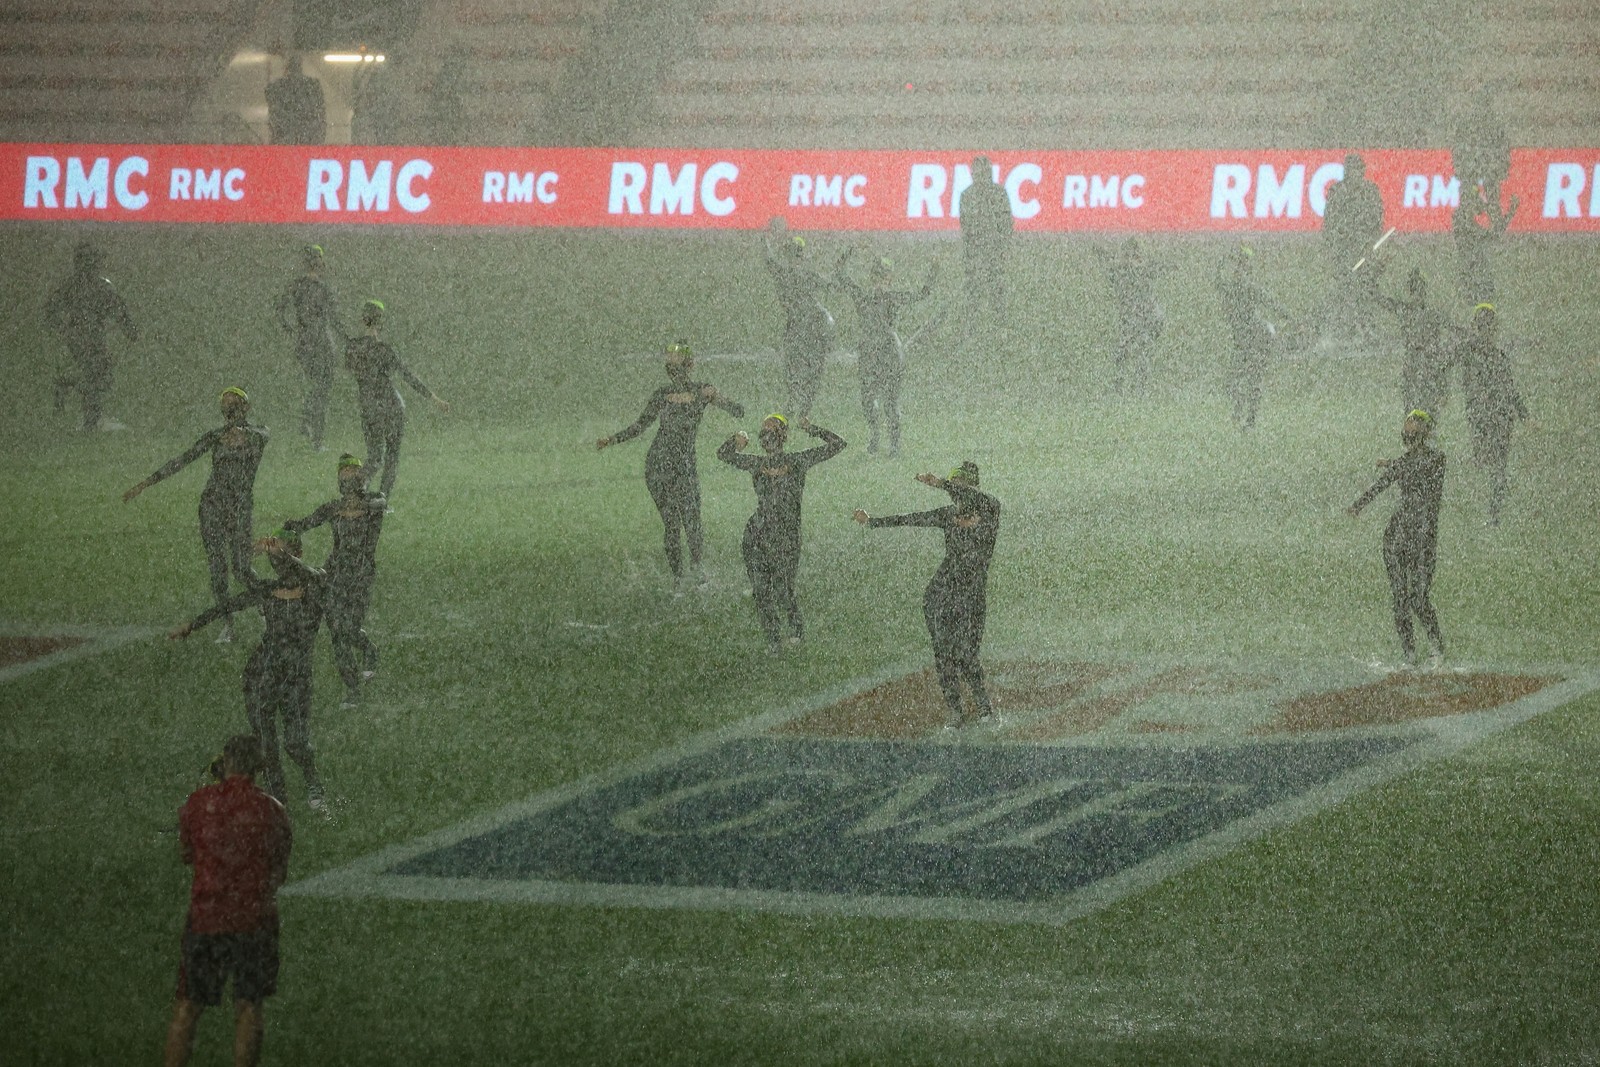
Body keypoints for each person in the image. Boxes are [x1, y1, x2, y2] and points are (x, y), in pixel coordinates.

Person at [171, 532, 328, 807]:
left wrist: (278, 552)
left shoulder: (315, 587)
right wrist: (192, 625)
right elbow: (227, 605)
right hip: (262, 674)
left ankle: (313, 781)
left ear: (296, 557)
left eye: (283, 557)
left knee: (295, 742)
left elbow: (305, 572)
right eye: (274, 559)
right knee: (266, 743)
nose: (278, 564)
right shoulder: (268, 591)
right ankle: (278, 799)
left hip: (296, 677)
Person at [164, 733, 292, 1067]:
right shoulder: (272, 810)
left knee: (188, 1006)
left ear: (225, 762)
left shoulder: (198, 804)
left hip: (206, 916)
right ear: (259, 767)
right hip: (254, 919)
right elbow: (280, 872)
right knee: (249, 1007)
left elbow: (187, 854)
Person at [853, 462, 1001, 728]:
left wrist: (942, 482)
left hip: (971, 595)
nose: (956, 495)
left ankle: (984, 708)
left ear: (974, 487)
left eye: (961, 487)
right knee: (944, 654)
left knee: (967, 656)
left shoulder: (990, 509)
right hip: (942, 593)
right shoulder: (948, 515)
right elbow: (909, 518)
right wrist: (872, 521)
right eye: (954, 490)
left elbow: (980, 499)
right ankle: (955, 711)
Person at [597, 341, 745, 591]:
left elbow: (738, 411)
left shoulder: (700, 392)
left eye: (676, 363)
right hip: (660, 464)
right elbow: (640, 425)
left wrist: (717, 397)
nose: (673, 369)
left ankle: (694, 572)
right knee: (675, 522)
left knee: (689, 519)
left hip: (680, 463)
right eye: (671, 364)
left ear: (688, 366)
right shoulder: (663, 394)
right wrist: (612, 439)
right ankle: (680, 577)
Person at [125, 388, 269, 644]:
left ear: (246, 407)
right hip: (212, 506)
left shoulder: (258, 434)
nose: (229, 408)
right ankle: (227, 623)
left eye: (234, 403)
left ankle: (266, 607)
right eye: (225, 405)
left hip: (239, 509)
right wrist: (146, 484)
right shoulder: (216, 437)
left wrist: (241, 431)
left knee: (242, 567)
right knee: (218, 567)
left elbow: (259, 435)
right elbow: (182, 460)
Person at [717, 414, 845, 654]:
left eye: (773, 429)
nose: (767, 434)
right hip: (757, 534)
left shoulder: (797, 461)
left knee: (783, 590)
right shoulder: (757, 464)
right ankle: (773, 640)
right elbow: (723, 455)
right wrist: (734, 441)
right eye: (764, 430)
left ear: (783, 435)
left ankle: (795, 630)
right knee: (761, 591)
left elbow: (838, 444)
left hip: (787, 536)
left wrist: (812, 428)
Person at [283, 455, 385, 707]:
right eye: (344, 473)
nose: (349, 477)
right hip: (335, 575)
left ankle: (369, 649)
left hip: (361, 576)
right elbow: (303, 524)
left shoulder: (374, 501)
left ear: (362, 478)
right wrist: (279, 536)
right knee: (338, 634)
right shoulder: (333, 508)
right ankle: (352, 690)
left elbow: (380, 504)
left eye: (354, 473)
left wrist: (356, 507)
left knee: (349, 629)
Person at [1347, 410, 1446, 668]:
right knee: (1400, 596)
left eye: (1414, 423)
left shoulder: (1436, 460)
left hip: (1423, 536)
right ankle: (1409, 654)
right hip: (1399, 535)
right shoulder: (1404, 463)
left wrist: (1393, 463)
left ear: (1425, 431)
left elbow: (1418, 466)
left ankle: (1436, 647)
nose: (1409, 427)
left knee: (1419, 597)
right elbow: (1380, 486)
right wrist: (1357, 506)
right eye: (1408, 423)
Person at [832, 249, 939, 456]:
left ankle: (894, 445)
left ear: (888, 279)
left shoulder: (887, 297)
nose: (880, 281)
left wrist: (933, 272)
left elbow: (923, 293)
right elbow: (841, 276)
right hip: (872, 351)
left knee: (890, 401)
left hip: (887, 350)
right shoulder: (863, 295)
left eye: (883, 276)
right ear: (873, 277)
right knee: (868, 398)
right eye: (877, 276)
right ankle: (875, 436)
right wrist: (845, 256)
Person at [345, 299, 448, 500]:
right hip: (392, 406)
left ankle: (356, 496)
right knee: (391, 457)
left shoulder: (352, 348)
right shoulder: (384, 349)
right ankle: (382, 499)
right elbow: (407, 375)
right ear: (380, 322)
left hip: (368, 407)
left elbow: (354, 373)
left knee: (374, 457)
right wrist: (434, 398)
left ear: (362, 320)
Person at [44, 241, 139, 431]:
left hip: (81, 337)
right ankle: (91, 420)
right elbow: (120, 312)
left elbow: (51, 310)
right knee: (96, 375)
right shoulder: (97, 286)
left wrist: (63, 329)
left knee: (95, 375)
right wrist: (130, 331)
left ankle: (75, 398)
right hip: (89, 337)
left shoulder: (72, 286)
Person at [1453, 303, 1527, 524]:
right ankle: (1492, 512)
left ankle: (1492, 513)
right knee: (1494, 464)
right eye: (1484, 326)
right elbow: (1509, 389)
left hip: (1493, 416)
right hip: (1490, 416)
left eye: (1487, 327)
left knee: (1494, 464)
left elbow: (1508, 388)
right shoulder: (1477, 354)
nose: (1486, 331)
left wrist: (1522, 412)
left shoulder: (1485, 355)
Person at [272, 244, 346, 452]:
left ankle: (307, 420)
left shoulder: (296, 285)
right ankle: (316, 438)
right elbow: (334, 318)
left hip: (304, 342)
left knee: (315, 386)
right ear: (319, 261)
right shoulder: (323, 288)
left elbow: (280, 309)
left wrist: (291, 329)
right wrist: (347, 340)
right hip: (321, 341)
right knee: (322, 390)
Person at [761, 220, 837, 420]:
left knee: (804, 367)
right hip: (800, 325)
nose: (796, 259)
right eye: (794, 255)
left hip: (809, 324)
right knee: (796, 368)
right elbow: (830, 284)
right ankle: (798, 403)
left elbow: (829, 284)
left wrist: (765, 239)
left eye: (796, 255)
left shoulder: (795, 274)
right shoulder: (792, 273)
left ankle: (801, 405)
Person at [1214, 245, 1287, 431]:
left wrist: (1290, 318)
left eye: (1241, 269)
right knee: (1234, 381)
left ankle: (1250, 419)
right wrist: (1224, 260)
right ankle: (1241, 410)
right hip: (1243, 341)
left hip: (1257, 339)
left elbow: (1273, 304)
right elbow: (1217, 281)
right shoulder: (1231, 290)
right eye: (1237, 268)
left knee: (1252, 380)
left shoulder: (1248, 289)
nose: (1238, 272)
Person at [1320, 152, 1386, 350]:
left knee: (1366, 288)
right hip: (1343, 250)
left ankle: (1366, 328)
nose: (1356, 175)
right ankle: (1342, 328)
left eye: (1359, 170)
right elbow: (1330, 221)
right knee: (1344, 288)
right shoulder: (1338, 192)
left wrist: (1371, 243)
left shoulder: (1370, 191)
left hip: (1363, 249)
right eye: (1353, 171)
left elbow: (1377, 218)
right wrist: (1333, 246)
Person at [1378, 267, 1451, 416]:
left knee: (1417, 414)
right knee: (1422, 415)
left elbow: (1380, 299)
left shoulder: (1411, 312)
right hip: (1421, 369)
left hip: (1422, 369)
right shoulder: (1426, 314)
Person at [1096, 237, 1164, 396]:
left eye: (1132, 256)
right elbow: (1110, 265)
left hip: (1146, 317)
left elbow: (1155, 267)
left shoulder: (1140, 271)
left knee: (1140, 349)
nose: (1129, 260)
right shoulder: (1121, 272)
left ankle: (1141, 388)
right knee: (1123, 351)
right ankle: (1121, 386)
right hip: (1131, 317)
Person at [958, 156, 1014, 335]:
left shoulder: (998, 194)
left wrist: (1002, 245)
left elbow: (1006, 223)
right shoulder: (967, 195)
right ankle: (972, 327)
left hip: (992, 250)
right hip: (977, 250)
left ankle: (1000, 325)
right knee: (973, 290)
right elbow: (965, 225)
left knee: (996, 288)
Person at [1452, 181, 1519, 307]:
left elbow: (1492, 236)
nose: (1481, 204)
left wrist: (1510, 213)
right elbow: (1492, 236)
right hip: (1473, 277)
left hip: (1476, 276)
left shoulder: (1463, 220)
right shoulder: (1462, 220)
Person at [264, 54, 326, 145]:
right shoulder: (312, 86)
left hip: (284, 141)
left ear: (286, 68)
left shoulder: (277, 87)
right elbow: (320, 116)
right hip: (306, 141)